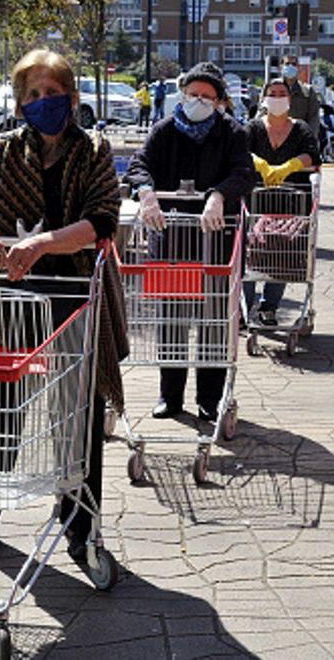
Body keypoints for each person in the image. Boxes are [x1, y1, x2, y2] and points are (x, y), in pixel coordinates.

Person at [0, 48, 124, 560]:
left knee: (76, 415)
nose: (44, 101)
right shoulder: (0, 153)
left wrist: (42, 244)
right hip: (8, 301)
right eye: (34, 94)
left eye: (53, 92)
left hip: (71, 297)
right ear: (21, 102)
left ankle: (78, 525)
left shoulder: (92, 151)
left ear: (71, 96)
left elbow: (103, 219)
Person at [125, 61, 254, 421]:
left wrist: (219, 196)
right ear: (182, 95)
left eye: (206, 96)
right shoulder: (164, 130)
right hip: (171, 242)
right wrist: (146, 193)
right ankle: (170, 396)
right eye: (192, 94)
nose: (198, 101)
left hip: (216, 241)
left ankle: (210, 401)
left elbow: (244, 173)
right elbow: (139, 165)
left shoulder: (232, 133)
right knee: (172, 320)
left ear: (219, 102)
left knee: (214, 322)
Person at [244, 78, 321, 325]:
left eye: (281, 93)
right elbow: (239, 151)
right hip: (255, 202)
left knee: (282, 252)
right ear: (264, 99)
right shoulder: (253, 128)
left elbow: (313, 154)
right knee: (250, 251)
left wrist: (290, 166)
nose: (277, 97)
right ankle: (245, 308)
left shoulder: (300, 129)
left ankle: (269, 307)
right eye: (272, 93)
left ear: (289, 99)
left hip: (291, 203)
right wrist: (261, 164)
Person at [280, 56, 321, 131]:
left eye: (294, 64)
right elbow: (262, 113)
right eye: (287, 64)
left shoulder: (308, 91)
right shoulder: (272, 88)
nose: (290, 66)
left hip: (299, 137)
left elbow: (314, 118)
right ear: (281, 67)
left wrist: (310, 138)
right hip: (275, 137)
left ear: (298, 68)